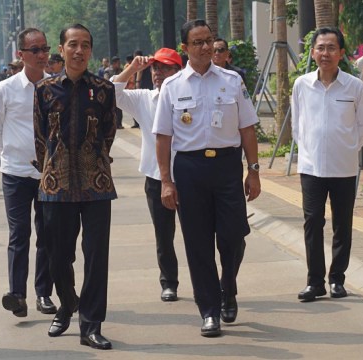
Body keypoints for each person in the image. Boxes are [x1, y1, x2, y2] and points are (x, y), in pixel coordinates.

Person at [153, 19, 261, 337]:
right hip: (189, 169)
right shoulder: (172, 87)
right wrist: (166, 181)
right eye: (197, 42)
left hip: (227, 167)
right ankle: (210, 310)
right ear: (185, 48)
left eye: (209, 41)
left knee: (233, 236)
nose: (205, 47)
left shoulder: (231, 80)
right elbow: (163, 138)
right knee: (198, 244)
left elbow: (247, 128)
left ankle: (228, 285)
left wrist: (253, 172)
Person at [33, 23, 116, 350]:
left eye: (85, 45)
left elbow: (109, 133)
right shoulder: (45, 90)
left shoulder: (104, 89)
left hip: (96, 185)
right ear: (62, 48)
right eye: (73, 45)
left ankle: (91, 324)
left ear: (90, 50)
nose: (79, 51)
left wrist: (93, 162)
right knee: (57, 255)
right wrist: (51, 169)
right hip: (56, 186)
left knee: (96, 257)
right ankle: (67, 304)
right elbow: (40, 138)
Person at [291, 27, 363, 302]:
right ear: (313, 51)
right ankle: (315, 282)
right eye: (320, 47)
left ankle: (337, 279)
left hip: (344, 168)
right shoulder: (302, 85)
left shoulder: (355, 86)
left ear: (341, 53)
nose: (325, 53)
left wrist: (349, 147)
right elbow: (297, 125)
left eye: (331, 48)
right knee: (312, 221)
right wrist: (308, 150)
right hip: (311, 168)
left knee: (342, 224)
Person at [0, 27, 56, 318]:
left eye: (45, 49)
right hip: (15, 173)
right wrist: (12, 152)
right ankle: (17, 294)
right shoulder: (4, 89)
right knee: (19, 234)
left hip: (49, 173)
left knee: (48, 235)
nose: (42, 55)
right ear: (21, 55)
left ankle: (44, 293)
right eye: (35, 50)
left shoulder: (56, 86)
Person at [111, 48, 182, 302]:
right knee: (164, 235)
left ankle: (204, 281)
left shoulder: (189, 96)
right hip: (156, 178)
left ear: (178, 71)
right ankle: (169, 283)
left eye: (165, 68)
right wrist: (131, 69)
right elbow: (112, 92)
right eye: (155, 68)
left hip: (189, 177)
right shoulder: (144, 99)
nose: (158, 74)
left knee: (198, 235)